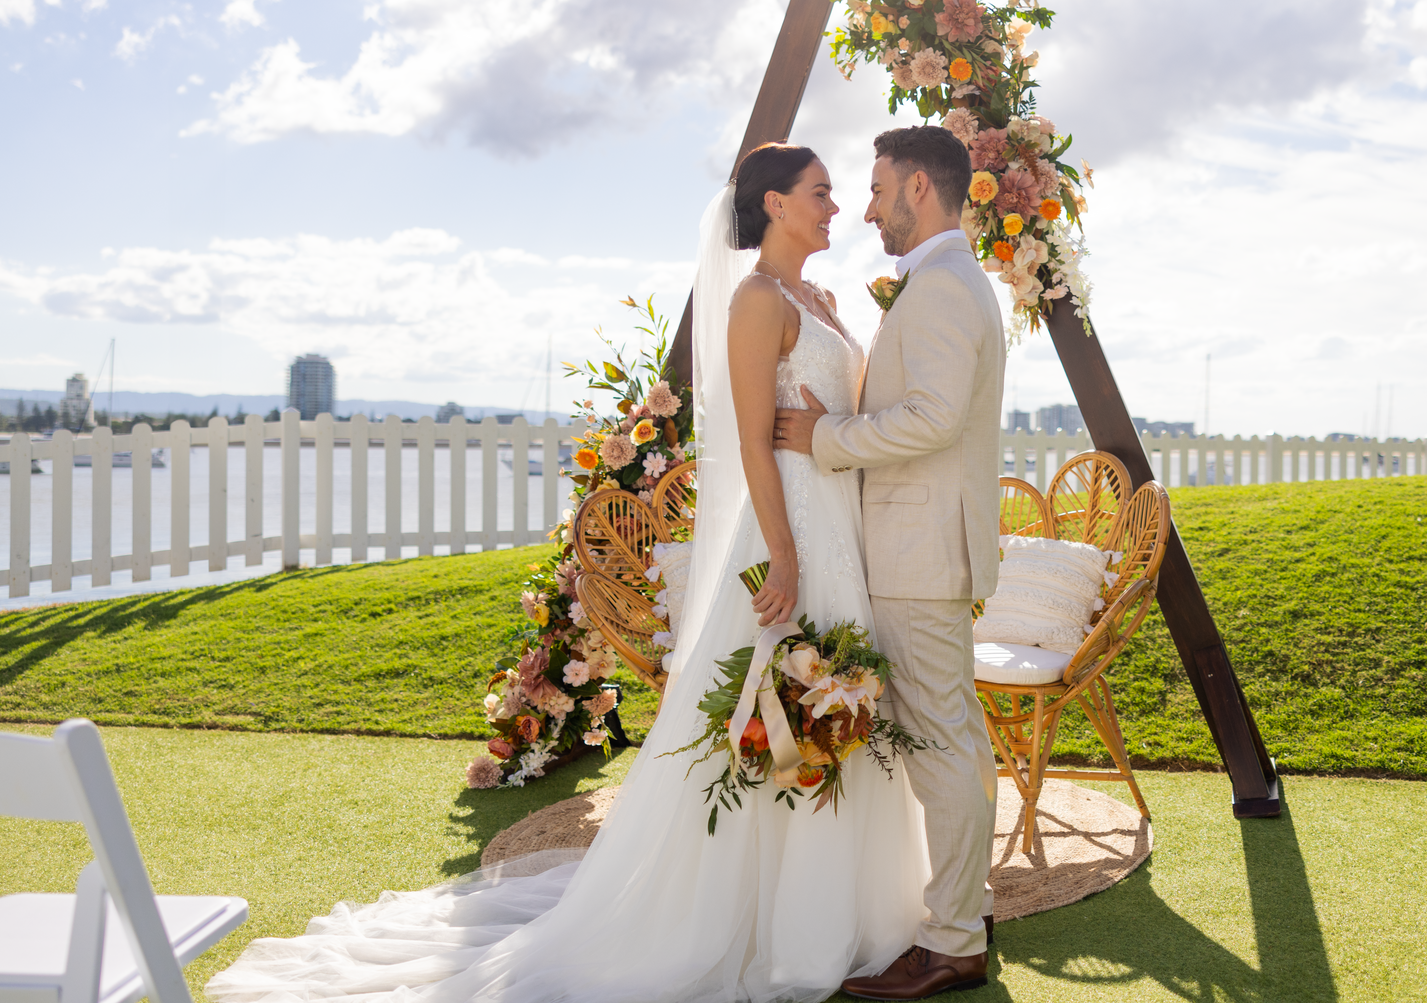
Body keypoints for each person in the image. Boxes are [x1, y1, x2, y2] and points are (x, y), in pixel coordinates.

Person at [205, 142, 930, 1003]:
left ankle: (851, 914)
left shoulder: (825, 299)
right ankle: (771, 924)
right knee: (775, 712)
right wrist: (783, 551)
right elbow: (748, 442)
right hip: (793, 532)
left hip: (840, 525)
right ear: (774, 204)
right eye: (820, 193)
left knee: (838, 706)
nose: (836, 207)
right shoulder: (754, 302)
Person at [774, 125, 1006, 1000]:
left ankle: (951, 943)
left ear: (918, 187)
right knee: (954, 738)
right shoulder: (943, 281)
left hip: (917, 551)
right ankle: (963, 913)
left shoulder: (944, 286)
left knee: (942, 740)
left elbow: (934, 416)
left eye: (874, 191)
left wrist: (825, 436)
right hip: (921, 546)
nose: (865, 209)